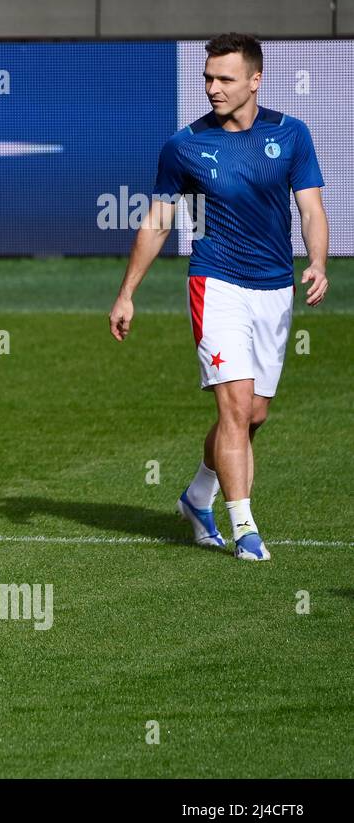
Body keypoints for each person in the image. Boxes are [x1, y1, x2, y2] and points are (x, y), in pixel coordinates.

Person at [109, 33, 329, 561]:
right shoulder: (183, 145)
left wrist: (317, 261)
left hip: (274, 288)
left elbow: (312, 209)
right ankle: (245, 527)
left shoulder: (291, 135)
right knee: (233, 406)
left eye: (225, 78)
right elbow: (158, 221)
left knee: (254, 413)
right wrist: (126, 294)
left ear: (256, 80)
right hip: (216, 282)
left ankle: (196, 497)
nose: (213, 88)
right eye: (208, 77)